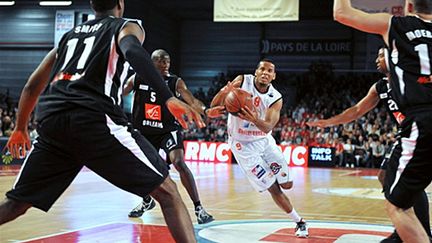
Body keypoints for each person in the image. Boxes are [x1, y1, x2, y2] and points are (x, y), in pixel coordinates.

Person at [0, 1, 207, 242]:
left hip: (51, 120)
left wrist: (20, 127)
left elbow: (32, 84)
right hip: (93, 119)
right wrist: (168, 97)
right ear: (121, 3)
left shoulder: (69, 36)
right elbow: (132, 50)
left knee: (16, 203)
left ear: (91, 4)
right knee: (169, 193)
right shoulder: (126, 26)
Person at [307, 47, 431, 243]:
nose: (377, 59)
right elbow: (357, 109)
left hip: (421, 132)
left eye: (381, 55)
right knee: (385, 176)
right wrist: (329, 122)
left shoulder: (411, 78)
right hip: (405, 135)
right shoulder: (380, 87)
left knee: (404, 183)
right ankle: (406, 226)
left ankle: (418, 231)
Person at [209, 59, 309, 238]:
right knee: (273, 187)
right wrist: (226, 92)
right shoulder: (242, 81)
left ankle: (274, 171)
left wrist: (254, 119)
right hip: (243, 146)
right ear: (256, 72)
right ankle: (299, 222)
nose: (265, 72)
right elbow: (214, 104)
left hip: (264, 141)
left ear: (274, 76)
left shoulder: (275, 98)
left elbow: (268, 127)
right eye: (262, 69)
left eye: (269, 71)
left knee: (287, 183)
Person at [123, 49, 219, 224]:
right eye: (161, 60)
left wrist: (205, 110)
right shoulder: (137, 78)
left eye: (167, 60)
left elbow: (191, 100)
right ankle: (146, 201)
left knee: (179, 162)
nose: (166, 63)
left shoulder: (175, 82)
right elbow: (118, 92)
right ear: (152, 63)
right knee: (139, 169)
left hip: (168, 130)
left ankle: (199, 208)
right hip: (144, 132)